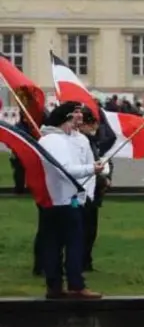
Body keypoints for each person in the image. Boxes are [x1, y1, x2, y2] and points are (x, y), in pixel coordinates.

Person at [38, 101, 103, 299]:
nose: (81, 116)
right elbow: (64, 169)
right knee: (64, 244)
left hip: (72, 200)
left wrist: (91, 179)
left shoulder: (76, 139)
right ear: (66, 116)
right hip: (59, 200)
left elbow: (83, 165)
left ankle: (59, 285)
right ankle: (71, 285)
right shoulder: (52, 140)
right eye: (76, 112)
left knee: (64, 243)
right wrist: (91, 169)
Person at [76, 107, 112, 272]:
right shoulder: (82, 142)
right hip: (85, 191)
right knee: (85, 229)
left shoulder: (91, 141)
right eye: (93, 125)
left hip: (93, 190)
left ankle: (86, 260)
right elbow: (86, 166)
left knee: (90, 230)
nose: (95, 129)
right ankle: (81, 261)